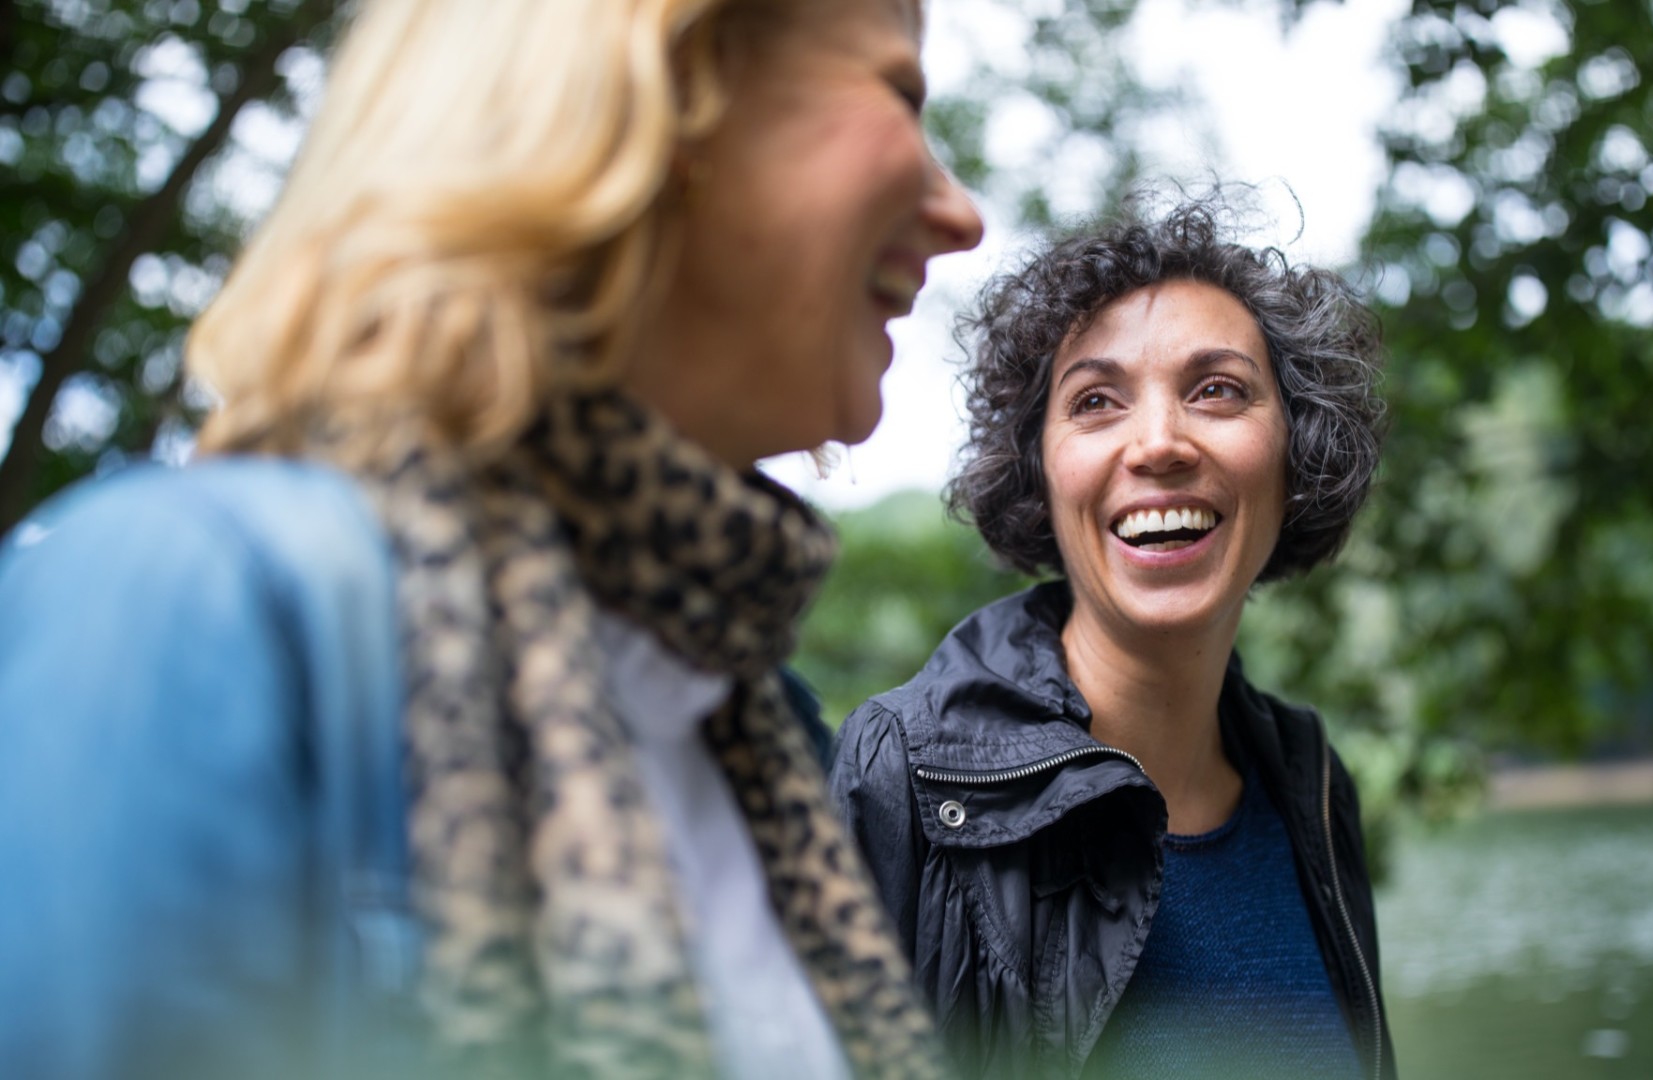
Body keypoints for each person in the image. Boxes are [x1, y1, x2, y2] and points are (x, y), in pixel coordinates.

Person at [0, 0, 982, 1077]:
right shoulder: (191, 604)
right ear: (667, 94)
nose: (960, 212)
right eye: (899, 92)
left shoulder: (762, 734)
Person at [829, 195, 1396, 1080]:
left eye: (1217, 390)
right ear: (1040, 475)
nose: (1159, 443)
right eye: (1096, 400)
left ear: (1295, 458)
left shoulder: (1314, 784)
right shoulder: (898, 776)